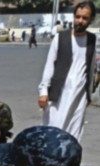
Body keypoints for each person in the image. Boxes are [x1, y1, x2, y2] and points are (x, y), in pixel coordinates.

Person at [37, 1, 98, 142]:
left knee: (74, 132)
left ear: (91, 20)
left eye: (84, 18)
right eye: (77, 17)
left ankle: (68, 162)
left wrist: (89, 94)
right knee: (53, 129)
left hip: (79, 95)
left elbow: (91, 67)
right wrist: (43, 92)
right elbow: (49, 65)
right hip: (59, 93)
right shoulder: (60, 38)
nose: (80, 21)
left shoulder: (92, 40)